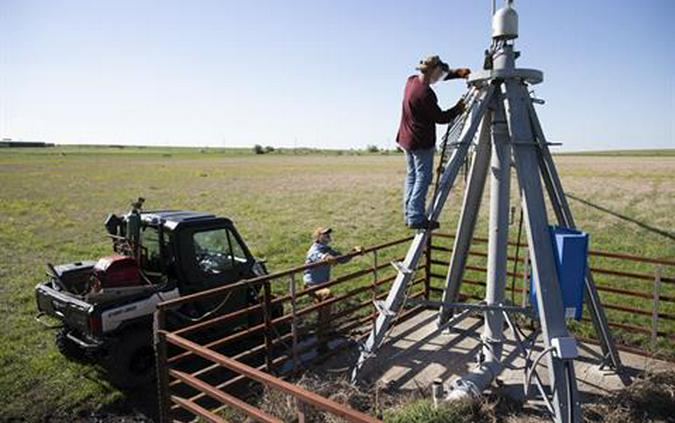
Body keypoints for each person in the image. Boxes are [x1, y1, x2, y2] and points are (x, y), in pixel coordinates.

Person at [396, 55, 471, 230]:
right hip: (420, 141)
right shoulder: (425, 94)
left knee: (413, 176)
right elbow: (441, 118)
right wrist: (458, 108)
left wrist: (457, 74)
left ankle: (410, 213)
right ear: (434, 71)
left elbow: (437, 76)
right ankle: (415, 217)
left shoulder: (412, 81)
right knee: (423, 178)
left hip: (406, 139)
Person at [303, 227, 363, 352]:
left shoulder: (328, 249)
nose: (328, 236)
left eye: (328, 234)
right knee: (327, 296)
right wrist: (325, 258)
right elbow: (317, 256)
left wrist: (354, 252)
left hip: (321, 285)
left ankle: (322, 337)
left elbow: (341, 259)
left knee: (323, 310)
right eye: (325, 234)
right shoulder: (314, 250)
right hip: (312, 285)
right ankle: (323, 334)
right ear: (318, 237)